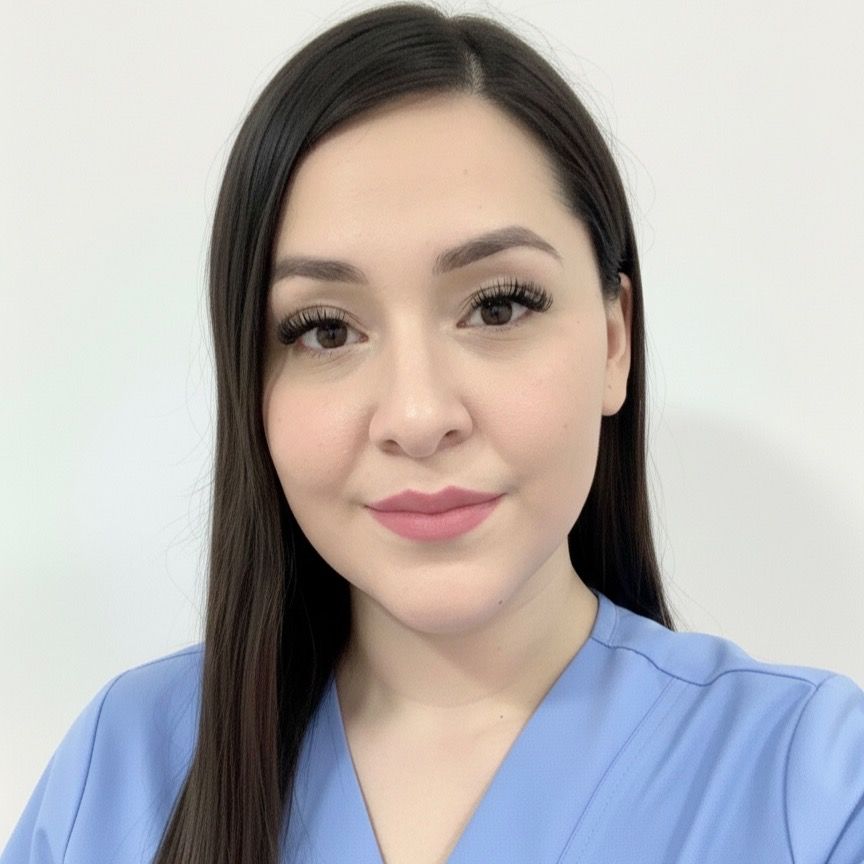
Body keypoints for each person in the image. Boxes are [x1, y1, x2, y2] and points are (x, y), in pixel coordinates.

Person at [3, 3, 863, 863]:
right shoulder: (121, 773)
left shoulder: (816, 789)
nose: (417, 418)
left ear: (615, 340)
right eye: (325, 329)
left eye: (499, 307)